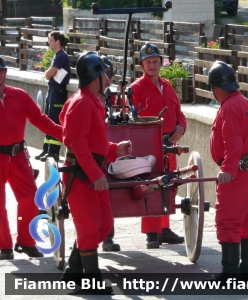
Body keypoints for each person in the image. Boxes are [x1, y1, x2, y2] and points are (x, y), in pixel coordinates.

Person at [59, 51, 131, 294]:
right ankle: (91, 281)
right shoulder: (82, 103)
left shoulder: (91, 101)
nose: (108, 80)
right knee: (90, 228)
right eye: (104, 75)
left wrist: (113, 150)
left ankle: (73, 271)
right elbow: (78, 145)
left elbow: (93, 143)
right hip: (81, 175)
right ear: (93, 77)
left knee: (103, 225)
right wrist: (96, 175)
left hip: (91, 171)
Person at [0, 56, 63, 260]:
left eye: (0, 71)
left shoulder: (19, 96)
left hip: (18, 156)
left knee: (30, 198)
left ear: (5, 73)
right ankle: (5, 247)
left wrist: (64, 134)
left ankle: (26, 242)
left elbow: (40, 120)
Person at [207, 61, 248, 282]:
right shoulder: (245, 103)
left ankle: (230, 273)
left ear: (216, 88)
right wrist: (246, 158)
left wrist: (229, 168)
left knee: (227, 218)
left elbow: (232, 142)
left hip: (236, 173)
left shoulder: (229, 107)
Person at [130, 42, 186, 249]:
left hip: (169, 144)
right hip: (148, 146)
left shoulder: (168, 85)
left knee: (169, 185)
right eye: (148, 62)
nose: (152, 65)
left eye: (155, 61)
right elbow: (132, 119)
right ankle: (151, 233)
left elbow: (179, 112)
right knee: (152, 186)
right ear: (142, 65)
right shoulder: (135, 89)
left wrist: (181, 128)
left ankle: (164, 228)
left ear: (161, 63)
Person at [35, 31, 71, 162]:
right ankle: (46, 149)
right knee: (48, 120)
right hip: (53, 91)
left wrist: (49, 73)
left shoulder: (61, 56)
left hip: (58, 92)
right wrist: (50, 73)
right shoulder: (57, 56)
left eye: (51, 39)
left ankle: (53, 152)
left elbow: (48, 75)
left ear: (58, 42)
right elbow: (50, 74)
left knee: (55, 121)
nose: (48, 42)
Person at [100, 55, 121, 252]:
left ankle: (107, 237)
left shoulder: (114, 97)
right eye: (104, 74)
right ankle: (107, 237)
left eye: (109, 75)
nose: (107, 79)